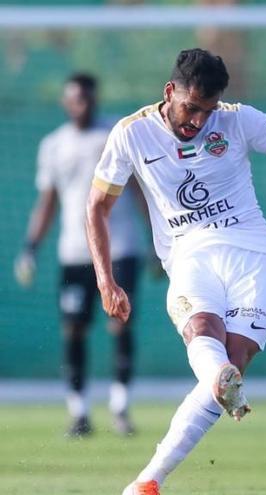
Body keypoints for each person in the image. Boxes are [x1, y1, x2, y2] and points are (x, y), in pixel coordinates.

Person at [85, 48, 266, 495]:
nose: (198, 121)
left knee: (234, 363)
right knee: (204, 332)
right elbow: (97, 207)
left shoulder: (236, 119)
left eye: (207, 111)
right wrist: (105, 279)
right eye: (191, 107)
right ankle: (151, 479)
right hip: (190, 253)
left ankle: (149, 479)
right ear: (170, 92)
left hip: (254, 251)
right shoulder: (131, 134)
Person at [15, 73, 148, 438]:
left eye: (88, 98)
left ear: (95, 98)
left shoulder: (113, 136)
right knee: (74, 328)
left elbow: (138, 192)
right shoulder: (54, 145)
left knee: (120, 322)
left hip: (119, 246)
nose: (82, 105)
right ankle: (79, 411)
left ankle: (120, 406)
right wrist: (30, 247)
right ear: (65, 102)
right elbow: (48, 202)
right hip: (74, 251)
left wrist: (156, 243)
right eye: (76, 99)